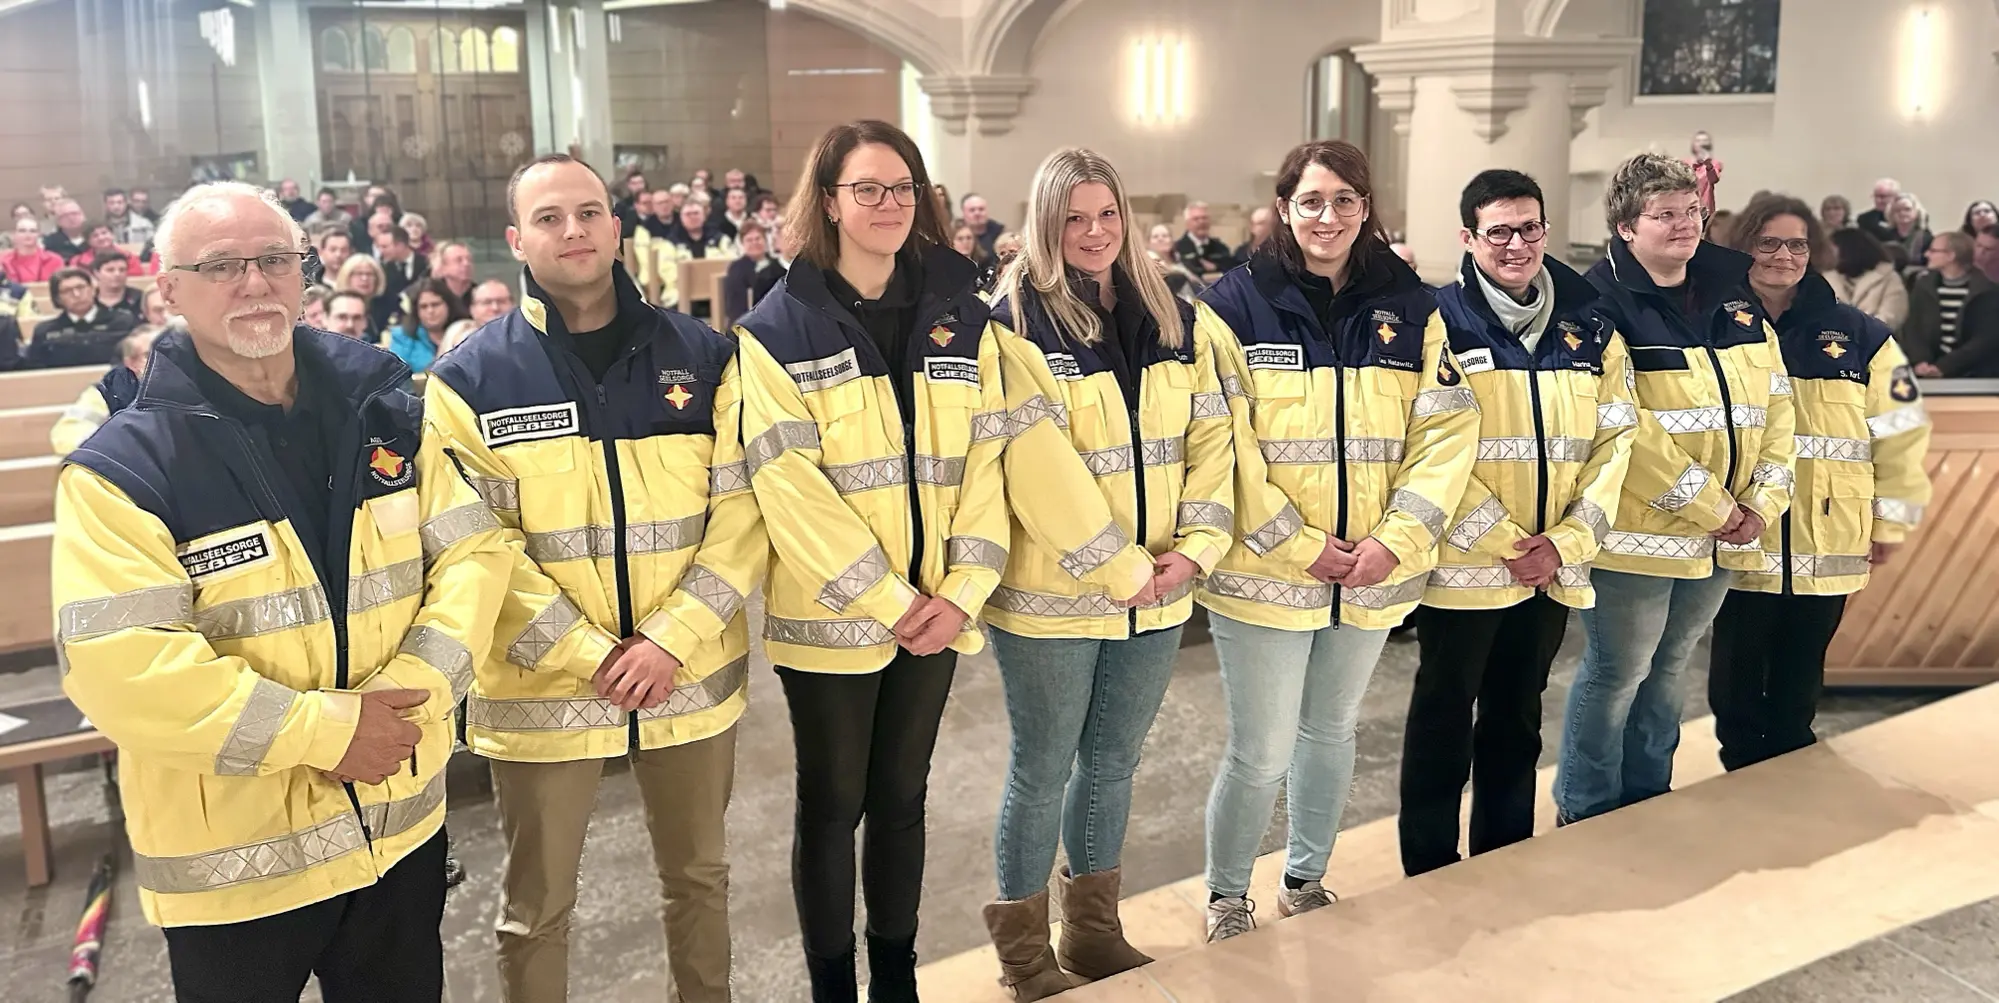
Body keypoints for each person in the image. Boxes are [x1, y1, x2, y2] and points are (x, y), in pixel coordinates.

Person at [53, 180, 512, 1003]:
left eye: (274, 259)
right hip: (239, 864)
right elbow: (126, 670)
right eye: (221, 265)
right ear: (169, 290)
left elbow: (474, 556)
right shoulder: (124, 469)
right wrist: (329, 732)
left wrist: (413, 697)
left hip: (395, 823)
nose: (255, 282)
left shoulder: (392, 413)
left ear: (306, 276)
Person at [425, 152, 764, 1003]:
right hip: (541, 685)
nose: (571, 230)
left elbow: (743, 512)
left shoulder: (706, 354)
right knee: (536, 903)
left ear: (617, 228)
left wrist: (668, 640)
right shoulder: (470, 378)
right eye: (548, 218)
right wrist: (589, 654)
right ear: (516, 240)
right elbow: (474, 543)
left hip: (686, 672)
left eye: (587, 212)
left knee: (700, 876)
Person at [735, 119, 1006, 1002]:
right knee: (832, 806)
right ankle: (831, 986)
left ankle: (896, 976)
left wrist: (961, 590)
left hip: (938, 606)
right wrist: (891, 599)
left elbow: (986, 458)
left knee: (902, 798)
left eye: (903, 189)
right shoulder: (774, 331)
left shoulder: (962, 316)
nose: (888, 205)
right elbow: (790, 488)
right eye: (867, 189)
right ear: (829, 201)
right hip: (835, 620)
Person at [1196, 140, 1478, 942]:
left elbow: (1446, 430)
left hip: (1371, 570)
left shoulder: (1411, 305)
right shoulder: (1232, 305)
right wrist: (1296, 542)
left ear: (1366, 209)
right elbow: (1222, 442)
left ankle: (1306, 877)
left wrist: (1394, 540)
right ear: (1284, 206)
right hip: (1264, 569)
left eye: (1345, 200)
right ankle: (1225, 896)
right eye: (1311, 200)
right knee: (1259, 748)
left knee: (1330, 729)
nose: (1329, 216)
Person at [979, 147, 1237, 998]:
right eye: (1073, 218)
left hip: (1158, 590)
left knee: (1114, 762)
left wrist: (1192, 550)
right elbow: (1030, 462)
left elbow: (1209, 440)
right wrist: (1120, 565)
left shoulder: (1170, 312)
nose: (1093, 233)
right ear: (1045, 224)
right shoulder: (1012, 318)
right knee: (1043, 764)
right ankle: (1024, 957)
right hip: (1054, 595)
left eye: (1106, 214)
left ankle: (1092, 933)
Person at [1400, 169, 1635, 878]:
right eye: (1497, 230)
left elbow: (1615, 439)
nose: (1515, 244)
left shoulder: (1589, 325)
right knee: (1442, 718)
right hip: (1464, 568)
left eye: (1528, 227)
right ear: (1468, 238)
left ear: (1545, 231)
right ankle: (1430, 865)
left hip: (1547, 570)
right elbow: (1428, 447)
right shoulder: (1435, 320)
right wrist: (1509, 544)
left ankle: (1501, 858)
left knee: (1517, 717)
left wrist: (1561, 545)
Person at [1556, 154, 1796, 825]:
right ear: (1626, 227)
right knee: (1616, 675)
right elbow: (1618, 426)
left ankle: (1645, 798)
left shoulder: (1733, 294)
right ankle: (1587, 808)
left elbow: (1777, 403)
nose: (1684, 225)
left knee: (1669, 674)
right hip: (1636, 534)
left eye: (1691, 211)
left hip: (1723, 535)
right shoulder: (1596, 302)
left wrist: (1761, 503)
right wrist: (1714, 506)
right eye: (1664, 214)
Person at [1705, 195, 1931, 772]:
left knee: (1798, 685)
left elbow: (1902, 431)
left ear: (1816, 251)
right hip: (1739, 535)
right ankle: (1741, 784)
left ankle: (1788, 789)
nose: (1785, 255)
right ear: (1744, 246)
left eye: (1798, 243)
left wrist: (1891, 521)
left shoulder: (1863, 335)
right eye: (1769, 242)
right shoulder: (1710, 325)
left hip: (1829, 538)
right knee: (1733, 687)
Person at [50, 325, 160, 455]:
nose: (163, 361)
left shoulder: (186, 384)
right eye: (150, 355)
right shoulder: (107, 392)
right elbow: (67, 434)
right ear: (132, 363)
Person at [1904, 231, 1999, 377]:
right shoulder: (1923, 286)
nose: (1927, 254)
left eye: (1933, 250)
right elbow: (1912, 328)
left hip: (1974, 373)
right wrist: (1920, 361)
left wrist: (1944, 367)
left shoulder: (1987, 290)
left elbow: (1984, 340)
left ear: (1951, 256)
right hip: (1927, 371)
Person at [30, 267, 138, 368]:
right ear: (57, 298)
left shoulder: (122, 321)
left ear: (93, 289)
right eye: (67, 291)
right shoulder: (45, 331)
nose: (76, 294)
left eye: (81, 287)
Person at [648, 201, 736, 310]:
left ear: (704, 216)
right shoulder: (670, 242)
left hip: (718, 292)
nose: (692, 217)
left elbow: (732, 263)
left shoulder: (720, 239)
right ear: (681, 217)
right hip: (680, 293)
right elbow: (666, 270)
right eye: (688, 214)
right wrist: (694, 282)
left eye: (696, 213)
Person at [1824, 228, 1908, 332]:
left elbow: (1891, 318)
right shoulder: (1827, 278)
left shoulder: (1889, 278)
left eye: (1831, 250)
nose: (1827, 255)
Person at [384, 276, 469, 374]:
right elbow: (398, 378)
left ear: (448, 305)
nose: (430, 311)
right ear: (416, 311)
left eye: (435, 304)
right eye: (424, 307)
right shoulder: (402, 337)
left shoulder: (464, 331)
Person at [720, 220, 784, 326]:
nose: (754, 243)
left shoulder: (776, 264)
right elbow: (735, 303)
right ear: (742, 244)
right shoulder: (737, 268)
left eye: (758, 238)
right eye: (749, 240)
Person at [376, 225, 431, 329]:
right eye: (379, 247)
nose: (381, 251)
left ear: (400, 245)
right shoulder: (381, 271)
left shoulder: (427, 265)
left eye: (385, 247)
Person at [1173, 202, 1235, 282]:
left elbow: (1230, 270)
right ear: (1187, 223)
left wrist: (1216, 267)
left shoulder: (1221, 248)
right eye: (1196, 219)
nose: (1201, 222)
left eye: (1204, 218)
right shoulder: (1177, 248)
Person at [334, 254, 390, 338]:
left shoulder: (387, 307)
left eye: (369, 274)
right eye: (359, 273)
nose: (364, 278)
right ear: (346, 276)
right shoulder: (335, 304)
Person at [1, 215, 66, 284]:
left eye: (33, 231)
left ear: (39, 234)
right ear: (14, 234)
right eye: (22, 231)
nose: (27, 234)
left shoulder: (55, 260)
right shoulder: (3, 260)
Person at [1681, 130, 1724, 216]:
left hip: (1706, 209)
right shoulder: (1684, 163)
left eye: (1704, 141)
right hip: (1688, 208)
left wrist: (1708, 165)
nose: (1702, 144)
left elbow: (1714, 179)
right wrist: (1694, 163)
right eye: (1698, 141)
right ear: (1693, 144)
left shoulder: (1715, 163)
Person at [1887, 193, 1932, 266]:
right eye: (1897, 210)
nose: (1902, 213)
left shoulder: (1925, 236)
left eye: (1907, 209)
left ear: (1916, 211)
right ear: (1891, 214)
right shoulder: (1885, 235)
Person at [962, 192, 1007, 256]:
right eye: (972, 210)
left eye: (981, 209)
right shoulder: (955, 234)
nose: (977, 213)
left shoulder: (1000, 234)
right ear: (964, 213)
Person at [1857, 178, 1900, 245]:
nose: (1878, 200)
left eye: (1882, 197)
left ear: (1895, 197)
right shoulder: (1865, 219)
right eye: (1876, 196)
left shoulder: (1902, 217)